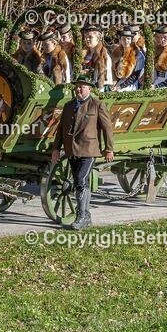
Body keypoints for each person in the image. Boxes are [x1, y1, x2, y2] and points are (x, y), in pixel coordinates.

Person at [50, 75, 115, 230]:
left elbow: (107, 128)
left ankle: (82, 216)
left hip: (89, 150)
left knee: (80, 180)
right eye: (77, 86)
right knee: (80, 182)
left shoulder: (97, 105)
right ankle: (86, 217)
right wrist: (56, 149)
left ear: (89, 89)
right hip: (71, 150)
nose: (79, 89)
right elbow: (61, 129)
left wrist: (109, 149)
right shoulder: (68, 106)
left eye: (83, 87)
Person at [80, 25, 113, 90]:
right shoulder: (83, 55)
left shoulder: (104, 56)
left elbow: (105, 77)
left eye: (90, 37)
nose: (87, 39)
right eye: (86, 37)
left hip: (99, 88)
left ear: (98, 39)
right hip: (83, 87)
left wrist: (90, 72)